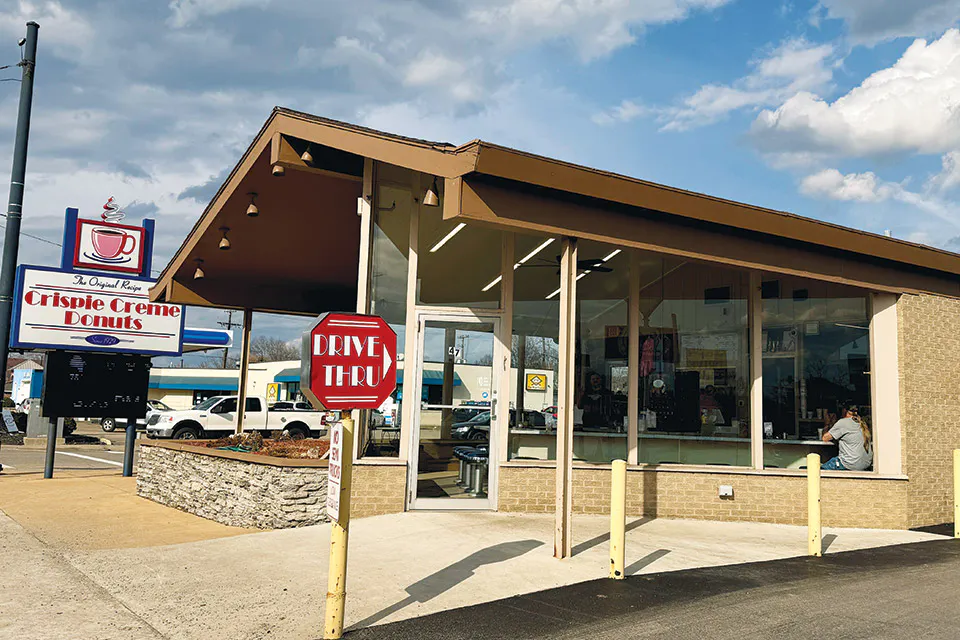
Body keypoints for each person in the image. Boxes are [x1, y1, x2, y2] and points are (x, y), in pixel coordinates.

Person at [821, 404, 872, 471]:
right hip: (866, 463)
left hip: (850, 463)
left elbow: (825, 438)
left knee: (819, 471)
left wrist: (827, 423)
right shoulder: (862, 422)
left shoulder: (843, 422)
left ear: (844, 410)